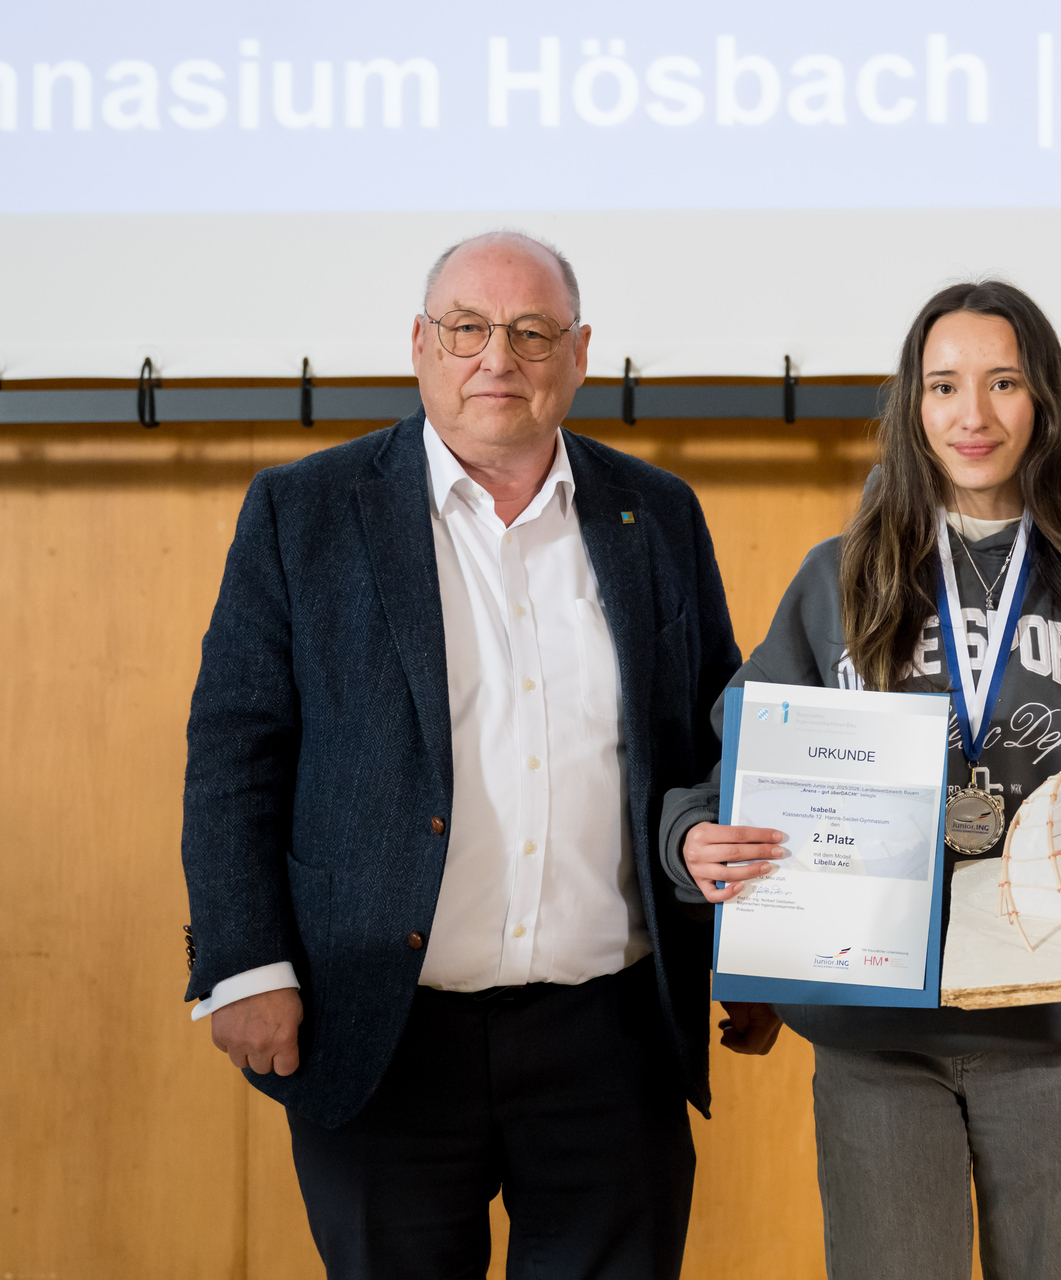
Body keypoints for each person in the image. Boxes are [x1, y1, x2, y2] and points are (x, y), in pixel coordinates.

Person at [180, 230, 757, 1279]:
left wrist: (758, 945)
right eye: (468, 328)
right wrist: (240, 963)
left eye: (533, 333)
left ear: (579, 354)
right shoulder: (305, 512)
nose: (499, 357)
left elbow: (717, 744)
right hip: (379, 1030)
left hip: (610, 1036)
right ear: (419, 344)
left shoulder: (658, 514)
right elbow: (235, 749)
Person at [658, 280, 1061, 1280]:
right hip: (875, 1037)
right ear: (912, 407)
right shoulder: (840, 578)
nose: (974, 412)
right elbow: (736, 766)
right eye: (944, 384)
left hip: (1053, 1024)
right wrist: (692, 836)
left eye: (1003, 382)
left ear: (1044, 400)